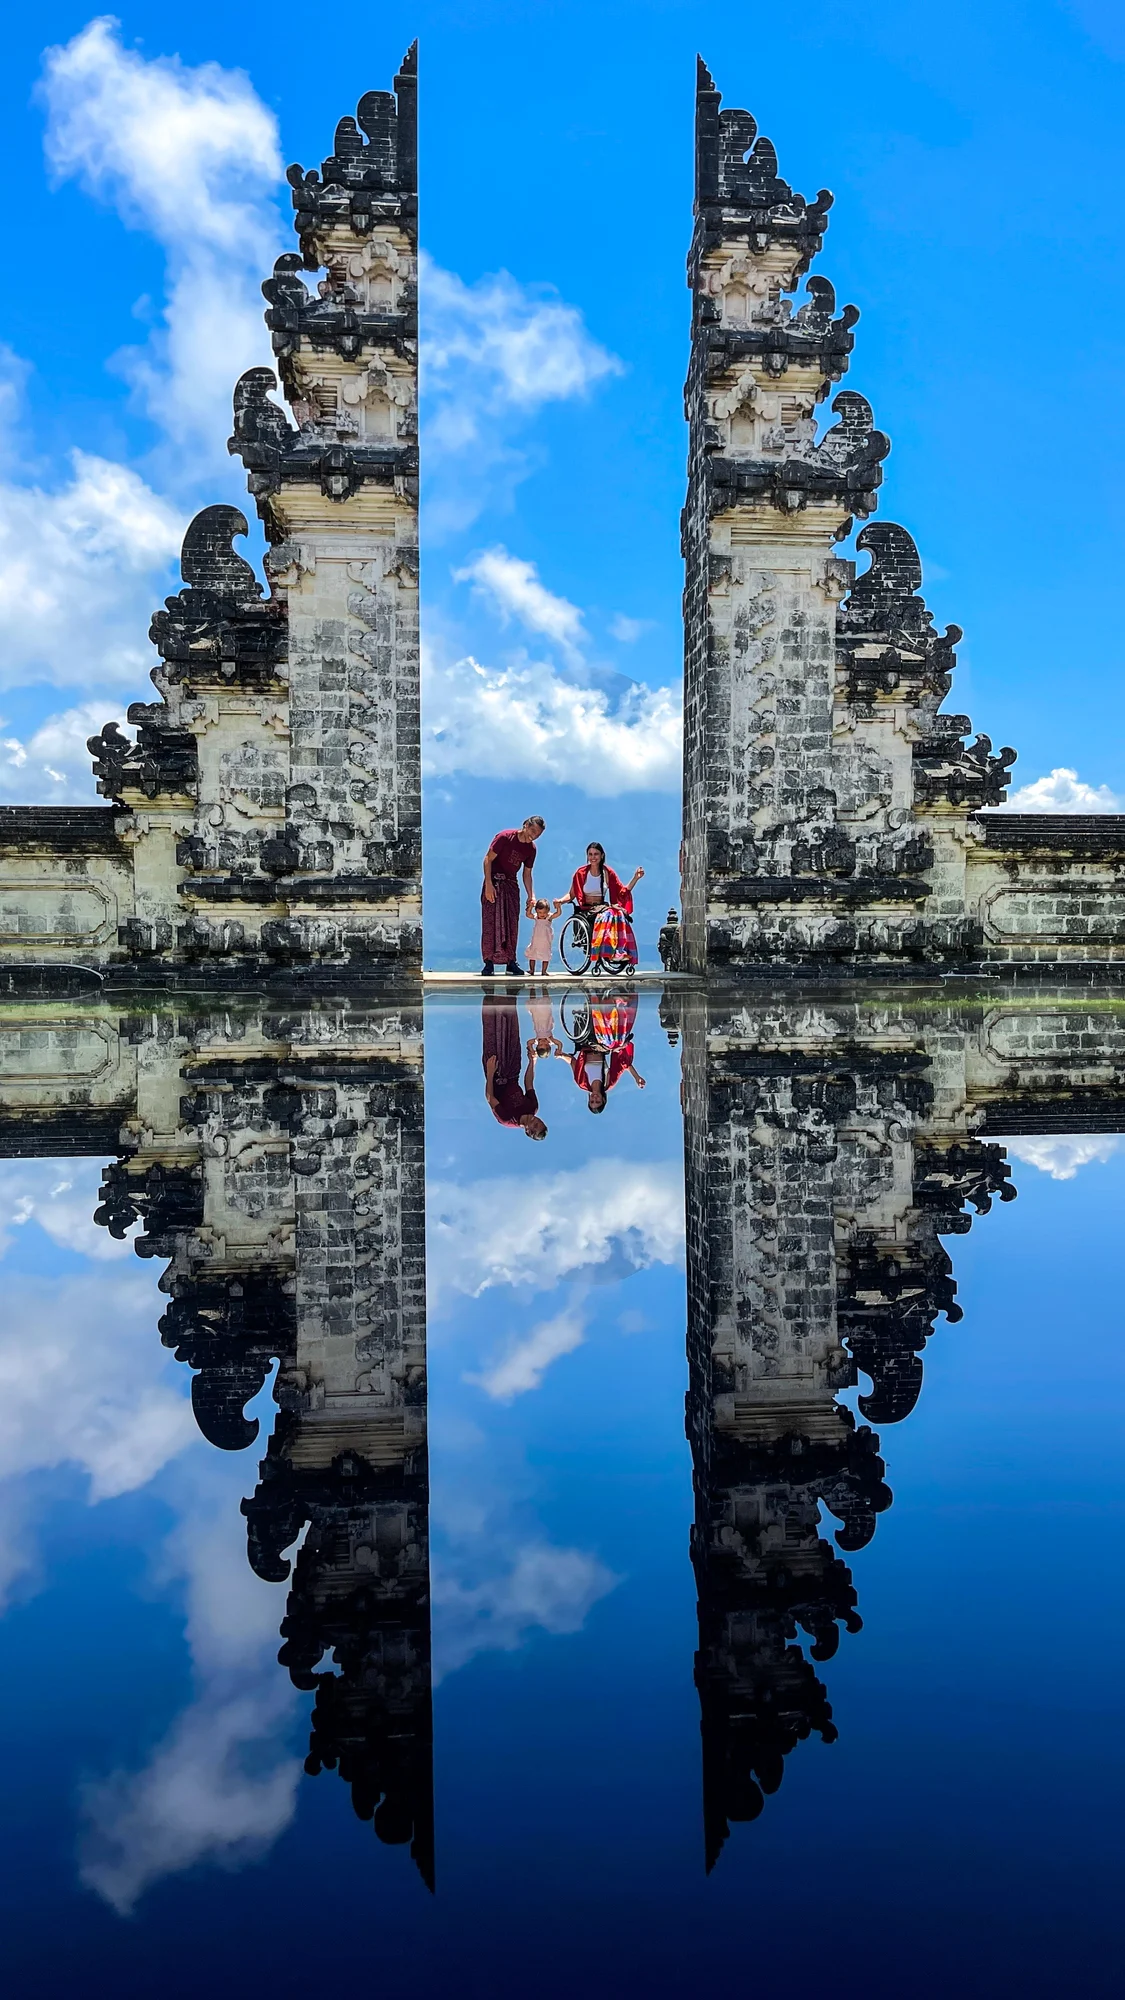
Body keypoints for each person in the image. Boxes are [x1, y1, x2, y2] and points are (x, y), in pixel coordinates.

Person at [560, 842, 645, 969]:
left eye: (596, 854)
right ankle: (609, 950)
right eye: (590, 854)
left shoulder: (608, 873)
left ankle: (620, 950)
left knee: (619, 913)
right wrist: (560, 901)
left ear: (602, 855)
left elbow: (622, 892)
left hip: (603, 907)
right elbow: (571, 894)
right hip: (587, 910)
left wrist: (635, 878)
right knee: (609, 914)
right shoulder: (581, 873)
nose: (593, 857)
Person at [558, 991, 646, 1113]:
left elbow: (573, 1062)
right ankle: (617, 1004)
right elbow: (623, 1064)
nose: (594, 1098)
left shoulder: (582, 1083)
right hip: (602, 1047)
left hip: (588, 1045)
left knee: (611, 1042)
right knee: (618, 1042)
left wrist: (561, 1055)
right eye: (597, 1101)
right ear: (603, 1100)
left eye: (592, 1101)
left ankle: (608, 1002)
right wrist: (637, 1077)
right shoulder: (608, 1083)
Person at [481, 816, 545, 975]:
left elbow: (527, 874)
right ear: (525, 825)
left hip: (511, 885)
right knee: (490, 922)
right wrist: (488, 884)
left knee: (512, 924)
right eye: (533, 831)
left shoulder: (531, 849)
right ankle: (488, 962)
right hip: (494, 881)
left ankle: (511, 962)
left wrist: (531, 895)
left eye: (538, 834)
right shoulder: (504, 837)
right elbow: (488, 859)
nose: (534, 835)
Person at [482, 992, 548, 1139]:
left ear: (528, 1131)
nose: (536, 1120)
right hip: (513, 1070)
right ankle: (509, 994)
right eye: (540, 1122)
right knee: (512, 1032)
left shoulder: (506, 1119)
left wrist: (490, 1072)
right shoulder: (533, 1107)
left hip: (497, 1075)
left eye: (536, 1125)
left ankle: (489, 994)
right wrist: (532, 1062)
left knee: (492, 1032)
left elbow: (490, 1097)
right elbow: (528, 1083)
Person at [527, 897, 561, 975]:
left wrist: (558, 907)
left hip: (546, 940)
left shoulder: (549, 917)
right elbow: (528, 915)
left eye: (544, 912)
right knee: (532, 955)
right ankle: (532, 970)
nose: (542, 914)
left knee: (546, 955)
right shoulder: (536, 917)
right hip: (536, 940)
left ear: (548, 911)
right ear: (536, 911)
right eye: (540, 912)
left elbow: (558, 914)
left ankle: (544, 971)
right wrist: (530, 907)